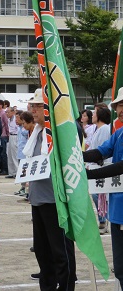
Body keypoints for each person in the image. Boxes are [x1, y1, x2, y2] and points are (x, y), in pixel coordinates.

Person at [25, 88, 76, 291]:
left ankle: (65, 287)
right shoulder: (36, 132)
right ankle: (46, 286)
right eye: (33, 106)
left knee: (61, 251)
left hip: (56, 200)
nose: (34, 110)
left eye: (38, 106)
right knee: (42, 250)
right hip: (38, 198)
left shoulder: (58, 132)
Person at [83, 88, 123, 289]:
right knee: (121, 267)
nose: (121, 109)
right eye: (119, 105)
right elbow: (101, 152)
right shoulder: (119, 133)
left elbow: (122, 165)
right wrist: (76, 157)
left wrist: (89, 175)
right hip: (117, 208)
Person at [87, 105, 111, 234]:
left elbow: (101, 150)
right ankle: (102, 219)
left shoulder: (104, 129)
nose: (92, 116)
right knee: (97, 194)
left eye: (95, 113)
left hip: (101, 166)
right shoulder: (98, 129)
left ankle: (103, 219)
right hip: (95, 165)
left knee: (99, 194)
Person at [0, 99, 9, 175]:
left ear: (1, 105)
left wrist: (7, 134)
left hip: (3, 135)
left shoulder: (3, 113)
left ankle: (5, 169)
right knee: (0, 153)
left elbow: (6, 124)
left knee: (3, 153)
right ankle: (2, 169)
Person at [6, 107, 18, 178]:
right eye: (6, 112)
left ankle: (16, 171)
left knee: (14, 154)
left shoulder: (15, 119)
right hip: (10, 136)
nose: (7, 114)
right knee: (9, 154)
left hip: (15, 136)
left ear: (13, 112)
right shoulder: (8, 120)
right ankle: (11, 172)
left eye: (8, 112)